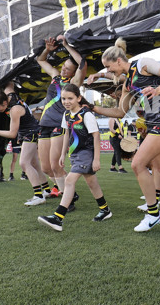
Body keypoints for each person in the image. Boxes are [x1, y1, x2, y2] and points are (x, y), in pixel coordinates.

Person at [92, 38, 160, 232]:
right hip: (157, 121)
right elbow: (119, 112)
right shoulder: (128, 84)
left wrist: (158, 89)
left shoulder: (143, 63)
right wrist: (92, 107)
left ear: (118, 61)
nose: (109, 72)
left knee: (137, 164)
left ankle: (153, 214)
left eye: (109, 68)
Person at [37, 84, 112, 231]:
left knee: (69, 181)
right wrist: (63, 154)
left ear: (78, 98)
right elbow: (66, 135)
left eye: (70, 98)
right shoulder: (66, 115)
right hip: (75, 154)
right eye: (64, 98)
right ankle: (105, 210)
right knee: (92, 183)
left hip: (86, 153)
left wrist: (96, 159)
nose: (66, 101)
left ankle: (58, 217)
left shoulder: (86, 115)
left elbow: (96, 136)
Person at [0, 84, 49, 205]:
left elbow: (12, 134)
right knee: (34, 163)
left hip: (30, 133)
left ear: (5, 103)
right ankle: (46, 190)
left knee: (24, 163)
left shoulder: (14, 110)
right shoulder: (10, 94)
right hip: (30, 131)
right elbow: (8, 83)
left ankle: (39, 196)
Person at [36, 35, 87, 200]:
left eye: (68, 68)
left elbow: (82, 63)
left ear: (73, 73)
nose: (64, 69)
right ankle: (70, 192)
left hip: (60, 124)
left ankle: (67, 198)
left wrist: (66, 45)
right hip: (44, 124)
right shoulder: (56, 77)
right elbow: (41, 60)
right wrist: (48, 50)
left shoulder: (73, 84)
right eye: (64, 66)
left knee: (56, 166)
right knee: (45, 168)